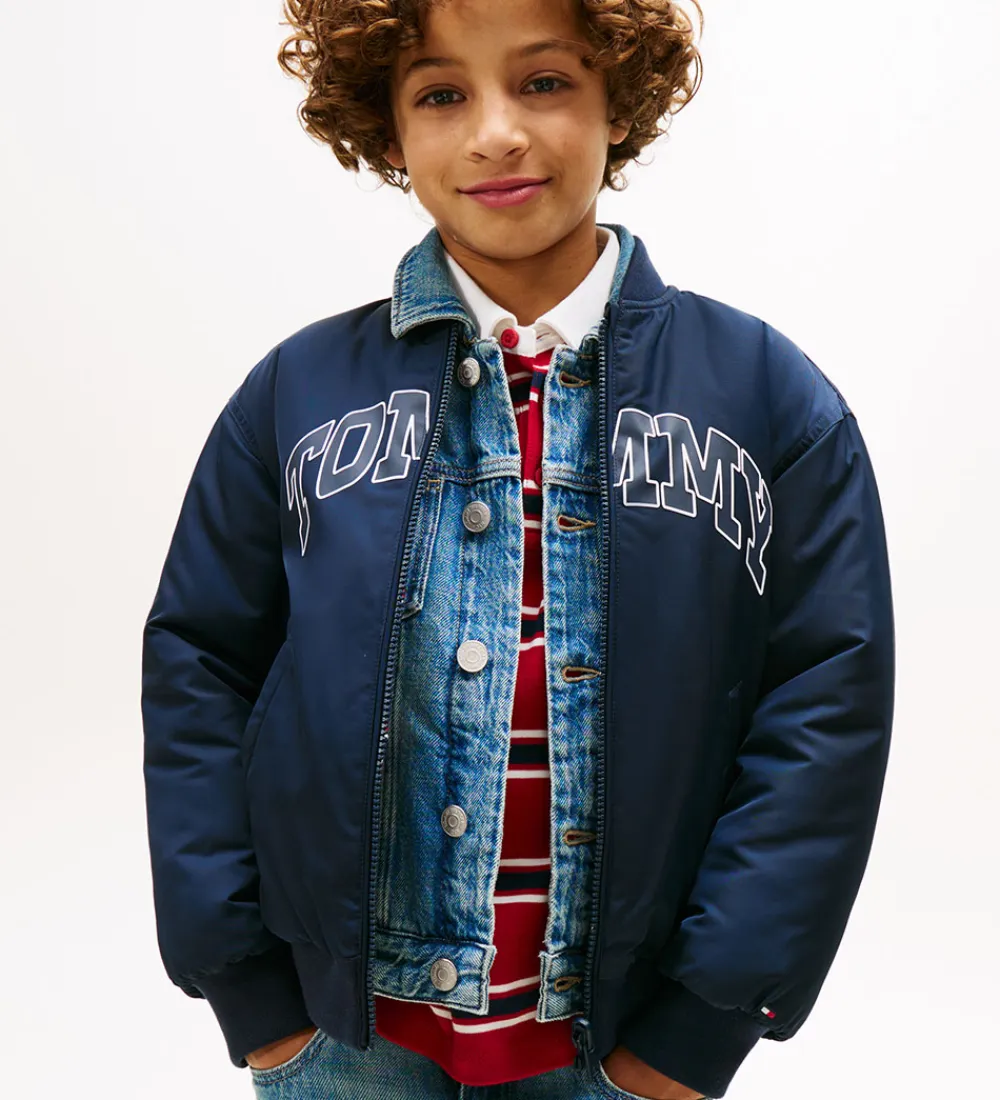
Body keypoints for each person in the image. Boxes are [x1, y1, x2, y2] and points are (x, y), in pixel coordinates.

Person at [140, 1, 895, 1097]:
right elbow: (199, 671)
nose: (495, 133)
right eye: (441, 94)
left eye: (544, 82)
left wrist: (702, 1024)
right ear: (388, 128)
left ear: (617, 102)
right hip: (341, 1037)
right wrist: (251, 995)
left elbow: (825, 707)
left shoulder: (768, 399)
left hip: (623, 1045)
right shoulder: (294, 396)